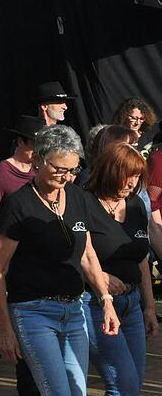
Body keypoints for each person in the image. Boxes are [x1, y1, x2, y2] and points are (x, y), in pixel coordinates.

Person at [0, 125, 120, 396]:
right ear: (37, 160)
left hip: (74, 311)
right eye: (60, 169)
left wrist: (106, 300)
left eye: (72, 170)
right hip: (32, 312)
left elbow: (87, 253)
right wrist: (4, 328)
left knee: (77, 390)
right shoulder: (19, 204)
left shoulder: (78, 197)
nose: (66, 176)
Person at [83, 143, 158, 394]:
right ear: (110, 170)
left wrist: (149, 307)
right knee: (123, 383)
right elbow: (76, 253)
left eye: (137, 176)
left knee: (132, 385)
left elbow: (141, 260)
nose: (132, 182)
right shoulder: (84, 201)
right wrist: (101, 277)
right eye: (128, 175)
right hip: (95, 304)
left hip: (132, 303)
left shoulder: (136, 205)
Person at [0, 115, 45, 205]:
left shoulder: (42, 169)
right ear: (20, 142)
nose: (38, 150)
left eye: (41, 146)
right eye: (34, 145)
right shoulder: (3, 171)